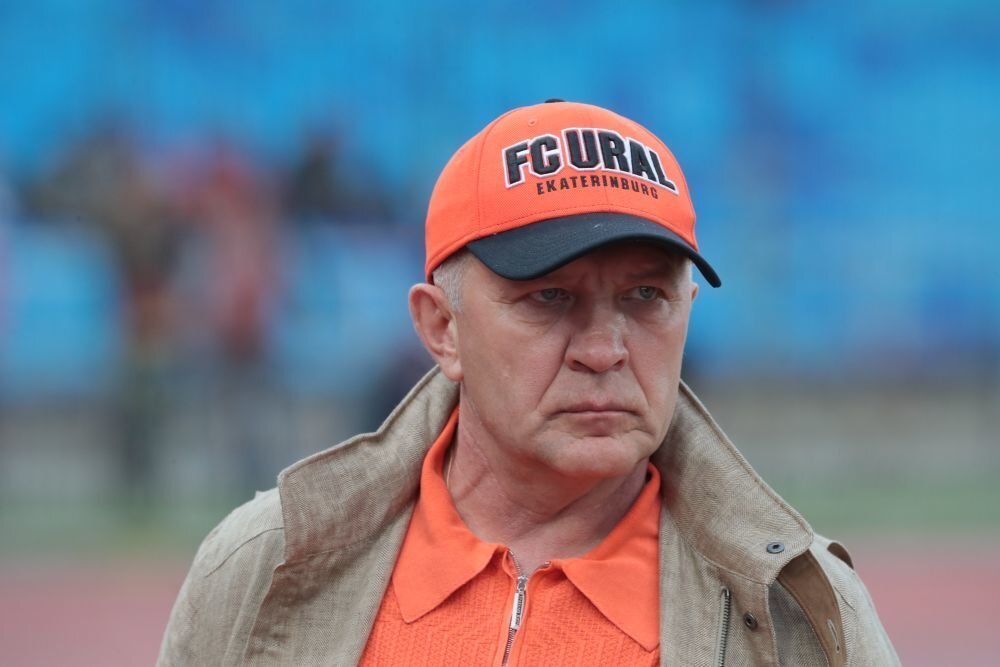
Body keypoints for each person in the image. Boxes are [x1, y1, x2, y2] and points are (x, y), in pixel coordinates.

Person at [159, 101, 898, 666]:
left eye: (647, 296)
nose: (605, 350)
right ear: (442, 328)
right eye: (549, 297)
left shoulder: (805, 612)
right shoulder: (259, 565)